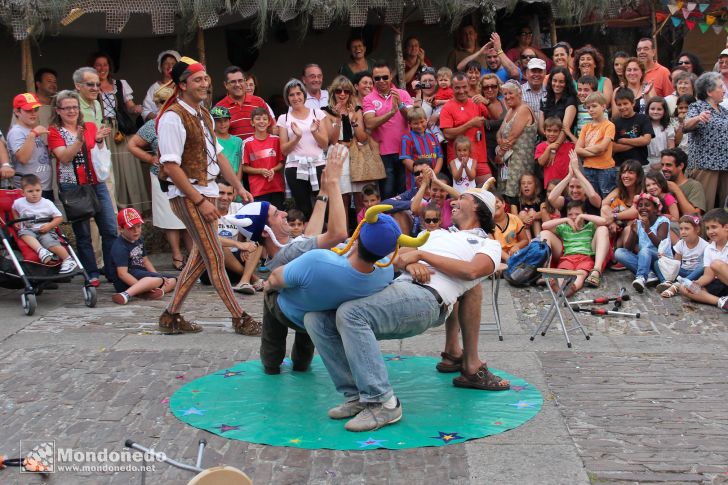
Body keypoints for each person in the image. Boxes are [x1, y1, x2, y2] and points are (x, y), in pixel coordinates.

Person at [304, 186, 509, 433]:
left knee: (351, 313)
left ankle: (383, 402)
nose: (453, 202)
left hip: (429, 299)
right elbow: (397, 256)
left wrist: (422, 256)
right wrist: (411, 265)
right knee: (316, 318)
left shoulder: (488, 244)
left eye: (461, 198)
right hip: (400, 286)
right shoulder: (437, 234)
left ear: (477, 206)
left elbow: (473, 271)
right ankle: (357, 395)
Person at [155, 56, 258, 336]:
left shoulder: (203, 114)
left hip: (207, 190)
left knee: (200, 257)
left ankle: (171, 315)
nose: (204, 83)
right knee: (214, 256)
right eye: (198, 79)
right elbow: (171, 166)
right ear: (182, 84)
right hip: (189, 194)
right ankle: (240, 317)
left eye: (205, 78)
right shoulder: (173, 118)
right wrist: (199, 201)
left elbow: (219, 155)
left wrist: (238, 185)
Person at [260, 205, 427, 375]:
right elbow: (398, 259)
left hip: (292, 314)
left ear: (358, 237)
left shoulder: (317, 260)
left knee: (274, 292)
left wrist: (270, 286)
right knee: (316, 302)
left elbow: (274, 278)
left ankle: (271, 363)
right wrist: (413, 260)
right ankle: (301, 363)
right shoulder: (385, 272)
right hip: (323, 318)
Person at [47, 90, 117, 287]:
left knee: (110, 228)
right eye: (67, 108)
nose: (71, 111)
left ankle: (113, 271)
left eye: (74, 107)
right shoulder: (54, 132)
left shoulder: (90, 126)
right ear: (58, 111)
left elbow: (98, 154)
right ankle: (91, 273)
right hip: (73, 185)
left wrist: (100, 139)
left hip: (96, 182)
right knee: (83, 233)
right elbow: (64, 157)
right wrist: (79, 139)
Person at [127, 83, 191, 271]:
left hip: (184, 174)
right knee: (170, 218)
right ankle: (177, 255)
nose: (165, 104)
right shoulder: (152, 124)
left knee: (188, 216)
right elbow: (132, 145)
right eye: (162, 101)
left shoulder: (183, 120)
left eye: (169, 100)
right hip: (161, 175)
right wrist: (149, 158)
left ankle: (194, 253)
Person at [90, 52, 149, 213]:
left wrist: (135, 108)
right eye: (98, 65)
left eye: (105, 64)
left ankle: (133, 207)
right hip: (102, 130)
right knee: (110, 167)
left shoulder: (120, 84)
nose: (102, 68)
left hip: (120, 130)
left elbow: (128, 106)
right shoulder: (90, 86)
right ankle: (114, 206)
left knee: (127, 166)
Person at [545, 153, 609, 287]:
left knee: (603, 229)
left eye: (578, 187)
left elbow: (592, 195)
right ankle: (546, 270)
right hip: (568, 246)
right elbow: (551, 199)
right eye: (571, 187)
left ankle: (596, 271)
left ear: (584, 188)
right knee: (545, 234)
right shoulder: (566, 201)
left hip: (589, 246)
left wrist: (578, 173)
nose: (574, 191)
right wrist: (569, 176)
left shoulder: (592, 200)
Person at [277, 78, 331, 219]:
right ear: (287, 98)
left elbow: (325, 143)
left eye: (298, 93)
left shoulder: (317, 114)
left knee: (325, 206)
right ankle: (308, 239)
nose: (296, 98)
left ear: (304, 95)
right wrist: (296, 137)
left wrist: (314, 131)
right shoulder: (284, 118)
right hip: (295, 167)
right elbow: (284, 150)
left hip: (318, 165)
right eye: (291, 95)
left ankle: (327, 238)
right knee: (303, 208)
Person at [363, 62, 413, 198]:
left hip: (405, 151)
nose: (381, 81)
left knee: (405, 193)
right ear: (373, 79)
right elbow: (369, 123)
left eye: (385, 77)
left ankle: (405, 220)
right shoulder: (368, 98)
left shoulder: (402, 94)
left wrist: (400, 106)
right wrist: (391, 113)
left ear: (391, 77)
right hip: (383, 154)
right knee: (387, 194)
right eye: (377, 78)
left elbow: (412, 118)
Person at [322, 75, 369, 218]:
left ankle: (361, 234)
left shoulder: (357, 109)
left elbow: (362, 137)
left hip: (355, 153)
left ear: (350, 93)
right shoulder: (325, 111)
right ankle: (344, 236)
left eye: (346, 91)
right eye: (338, 91)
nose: (342, 94)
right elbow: (333, 139)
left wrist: (352, 120)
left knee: (361, 198)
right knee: (342, 199)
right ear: (333, 93)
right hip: (337, 153)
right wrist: (337, 117)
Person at [109, 208, 177, 305]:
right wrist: (142, 285)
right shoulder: (120, 246)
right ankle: (126, 294)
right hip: (125, 280)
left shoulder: (139, 239)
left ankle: (156, 292)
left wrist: (156, 274)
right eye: (131, 228)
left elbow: (145, 261)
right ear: (121, 229)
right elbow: (122, 274)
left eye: (138, 226)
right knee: (158, 280)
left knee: (173, 279)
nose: (136, 231)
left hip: (141, 275)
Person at [207, 179, 263, 295]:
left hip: (239, 259)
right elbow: (210, 239)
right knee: (217, 246)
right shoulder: (206, 209)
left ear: (234, 195)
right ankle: (252, 278)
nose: (225, 198)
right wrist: (239, 244)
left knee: (259, 240)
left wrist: (245, 244)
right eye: (221, 193)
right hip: (213, 266)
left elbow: (253, 229)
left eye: (229, 194)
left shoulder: (239, 208)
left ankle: (244, 281)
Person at [11, 174, 76, 273]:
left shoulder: (47, 203)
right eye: (30, 191)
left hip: (45, 229)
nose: (34, 194)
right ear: (22, 193)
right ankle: (41, 250)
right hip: (28, 229)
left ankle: (68, 259)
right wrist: (17, 220)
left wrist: (49, 226)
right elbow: (13, 209)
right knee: (23, 233)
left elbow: (59, 217)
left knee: (50, 243)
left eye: (38, 190)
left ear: (41, 189)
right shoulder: (19, 202)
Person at [541, 200, 607, 297]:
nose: (573, 217)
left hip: (585, 257)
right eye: (570, 214)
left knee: (581, 274)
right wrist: (565, 220)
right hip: (568, 257)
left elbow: (603, 221)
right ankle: (558, 287)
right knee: (562, 271)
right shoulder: (564, 228)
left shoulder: (589, 226)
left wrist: (583, 216)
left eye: (577, 214)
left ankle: (573, 288)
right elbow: (544, 226)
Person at [683, 72, 728, 211]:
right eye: (721, 87)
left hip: (725, 166)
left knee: (723, 209)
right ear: (709, 91)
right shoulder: (697, 107)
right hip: (706, 166)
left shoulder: (724, 111)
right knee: (704, 208)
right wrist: (697, 118)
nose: (724, 90)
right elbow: (685, 126)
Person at [674, 208, 728, 312]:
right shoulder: (709, 248)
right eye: (707, 228)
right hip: (718, 283)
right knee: (684, 288)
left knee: (716, 264)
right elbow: (708, 275)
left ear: (726, 227)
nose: (710, 231)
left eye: (714, 227)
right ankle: (721, 302)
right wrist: (696, 284)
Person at [440, 73, 489, 186]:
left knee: (487, 193)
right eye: (457, 87)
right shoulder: (447, 107)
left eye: (464, 87)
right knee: (464, 194)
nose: (461, 91)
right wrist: (470, 124)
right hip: (458, 159)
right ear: (452, 88)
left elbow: (496, 116)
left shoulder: (476, 102)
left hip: (479, 156)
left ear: (469, 87)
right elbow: (447, 134)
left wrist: (487, 102)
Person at [614, 192, 668, 292]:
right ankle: (650, 274)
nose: (643, 208)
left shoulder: (662, 221)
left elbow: (661, 244)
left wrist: (647, 230)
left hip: (659, 258)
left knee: (645, 250)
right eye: (640, 205)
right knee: (619, 252)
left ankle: (641, 277)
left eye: (647, 205)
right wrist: (633, 232)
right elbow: (628, 248)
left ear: (656, 209)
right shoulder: (638, 223)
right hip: (644, 259)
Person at [496, 80, 537, 203]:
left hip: (520, 161)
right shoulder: (510, 110)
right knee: (505, 195)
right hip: (507, 161)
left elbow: (512, 137)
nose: (507, 97)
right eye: (505, 94)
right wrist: (499, 142)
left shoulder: (523, 109)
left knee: (516, 194)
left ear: (519, 93)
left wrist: (499, 154)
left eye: (510, 93)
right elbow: (499, 133)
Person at [7, 93, 53, 199]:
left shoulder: (30, 129)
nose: (33, 113)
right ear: (17, 111)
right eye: (28, 110)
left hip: (42, 187)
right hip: (29, 190)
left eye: (35, 109)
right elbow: (23, 158)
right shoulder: (17, 132)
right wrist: (33, 134)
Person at [241, 107, 285, 209]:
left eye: (265, 119)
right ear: (252, 122)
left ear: (269, 122)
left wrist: (273, 170)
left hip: (276, 187)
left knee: (278, 216)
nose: (262, 122)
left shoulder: (276, 140)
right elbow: (244, 168)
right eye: (258, 119)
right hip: (258, 190)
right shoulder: (247, 143)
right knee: (263, 220)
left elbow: (281, 163)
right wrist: (261, 171)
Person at [216, 66, 273, 142]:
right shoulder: (219, 108)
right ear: (226, 85)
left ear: (245, 82)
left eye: (240, 81)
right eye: (233, 82)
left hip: (259, 152)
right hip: (233, 153)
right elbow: (217, 136)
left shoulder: (259, 102)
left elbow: (271, 127)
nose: (237, 84)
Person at [657, 214, 708, 297]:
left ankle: (676, 285)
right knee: (657, 262)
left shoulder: (705, 246)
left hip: (695, 274)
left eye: (687, 229)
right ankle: (666, 282)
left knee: (702, 266)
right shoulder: (681, 244)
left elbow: (705, 268)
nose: (683, 232)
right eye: (681, 229)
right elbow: (677, 263)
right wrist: (665, 258)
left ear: (697, 229)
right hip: (682, 272)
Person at [400, 107, 443, 189]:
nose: (419, 126)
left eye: (422, 122)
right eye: (415, 123)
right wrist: (421, 173)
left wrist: (434, 172)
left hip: (432, 178)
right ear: (409, 124)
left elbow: (439, 157)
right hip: (415, 181)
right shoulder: (407, 138)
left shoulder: (433, 137)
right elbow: (405, 159)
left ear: (426, 120)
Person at [612, 89, 654, 166]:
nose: (622, 107)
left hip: (641, 165)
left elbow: (646, 140)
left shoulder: (644, 118)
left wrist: (623, 140)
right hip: (620, 166)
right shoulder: (614, 123)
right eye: (619, 104)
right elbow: (613, 147)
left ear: (633, 103)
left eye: (625, 103)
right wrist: (638, 142)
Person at [456, 32, 520, 82]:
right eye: (489, 57)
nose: (492, 60)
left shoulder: (508, 70)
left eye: (495, 56)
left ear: (500, 55)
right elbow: (460, 67)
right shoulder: (481, 72)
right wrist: (480, 52)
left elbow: (514, 73)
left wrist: (499, 50)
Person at [660, 148, 705, 216]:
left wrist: (676, 190)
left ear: (681, 166)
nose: (663, 168)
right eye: (662, 165)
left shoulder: (694, 186)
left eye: (668, 165)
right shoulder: (658, 185)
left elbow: (695, 216)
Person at [539, 66, 578, 143]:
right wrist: (549, 141)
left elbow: (565, 128)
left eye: (561, 81)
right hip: (546, 142)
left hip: (563, 144)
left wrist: (555, 145)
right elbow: (541, 127)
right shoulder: (545, 99)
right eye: (555, 80)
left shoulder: (571, 101)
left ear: (566, 83)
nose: (557, 84)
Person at [476, 74, 506, 167]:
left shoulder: (505, 102)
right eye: (486, 87)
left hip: (505, 149)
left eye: (493, 86)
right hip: (486, 151)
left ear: (498, 87)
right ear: (481, 89)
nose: (490, 89)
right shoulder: (477, 104)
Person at [141, 50, 180, 121]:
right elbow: (146, 111)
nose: (170, 66)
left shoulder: (183, 87)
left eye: (173, 64)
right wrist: (159, 120)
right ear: (161, 67)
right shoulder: (154, 88)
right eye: (166, 63)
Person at [536, 116, 574, 188]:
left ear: (560, 132)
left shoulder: (568, 145)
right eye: (549, 130)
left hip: (567, 184)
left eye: (555, 131)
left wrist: (568, 133)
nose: (552, 134)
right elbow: (541, 162)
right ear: (544, 131)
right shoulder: (541, 146)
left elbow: (580, 146)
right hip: (550, 185)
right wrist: (549, 148)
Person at [492, 190, 528, 262]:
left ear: (503, 204)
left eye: (497, 202)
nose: (494, 205)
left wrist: (517, 246)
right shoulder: (487, 224)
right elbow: (493, 248)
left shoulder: (514, 219)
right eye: (491, 204)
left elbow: (525, 240)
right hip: (497, 260)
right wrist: (510, 260)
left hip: (516, 256)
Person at [210, 106, 243, 180]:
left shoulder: (238, 141)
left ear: (229, 121)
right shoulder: (210, 140)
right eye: (218, 121)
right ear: (212, 122)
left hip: (236, 182)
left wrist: (237, 185)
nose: (222, 124)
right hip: (217, 182)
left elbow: (240, 164)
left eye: (225, 120)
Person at [511, 172, 544, 238]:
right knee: (522, 213)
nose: (526, 185)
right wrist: (523, 218)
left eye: (529, 183)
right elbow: (513, 216)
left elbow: (544, 213)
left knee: (533, 214)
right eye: (523, 183)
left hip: (537, 227)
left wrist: (534, 215)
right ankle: (528, 243)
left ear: (535, 186)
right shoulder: (515, 199)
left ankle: (538, 241)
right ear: (520, 187)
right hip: (522, 229)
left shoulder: (541, 198)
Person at [645, 97, 674, 168]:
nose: (655, 112)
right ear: (648, 110)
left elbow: (671, 147)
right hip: (645, 161)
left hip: (663, 161)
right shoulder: (644, 125)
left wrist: (661, 163)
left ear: (664, 111)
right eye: (652, 109)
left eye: (659, 109)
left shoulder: (668, 126)